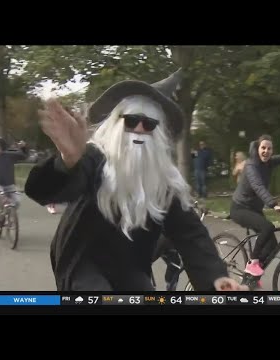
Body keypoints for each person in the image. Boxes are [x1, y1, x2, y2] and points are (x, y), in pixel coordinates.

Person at [24, 69, 247, 292]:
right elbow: (43, 192)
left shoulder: (162, 178)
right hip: (83, 260)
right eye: (131, 121)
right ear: (117, 124)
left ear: (158, 132)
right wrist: (68, 161)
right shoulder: (94, 156)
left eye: (149, 124)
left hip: (129, 265)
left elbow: (189, 233)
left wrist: (216, 278)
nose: (140, 129)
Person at [229, 134, 280, 278]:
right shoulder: (251, 165)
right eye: (263, 148)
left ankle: (251, 278)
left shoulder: (268, 162)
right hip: (240, 208)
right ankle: (252, 264)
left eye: (269, 149)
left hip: (254, 209)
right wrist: (274, 204)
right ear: (257, 148)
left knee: (271, 245)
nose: (266, 151)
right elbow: (258, 186)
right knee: (267, 227)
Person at [0, 136, 28, 226]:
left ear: (2, 149)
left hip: (9, 184)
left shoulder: (8, 155)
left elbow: (23, 156)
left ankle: (10, 216)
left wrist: (23, 147)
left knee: (17, 202)